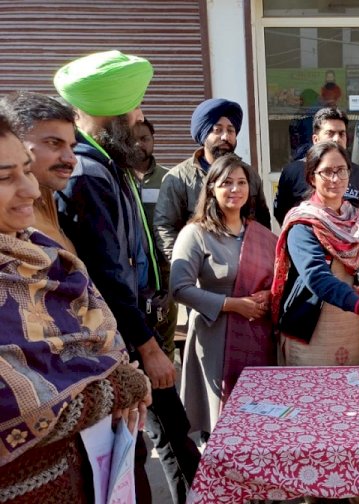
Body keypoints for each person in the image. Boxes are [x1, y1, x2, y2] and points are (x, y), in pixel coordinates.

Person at [53, 50, 200, 504]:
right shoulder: (89, 175)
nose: (140, 118)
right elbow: (109, 277)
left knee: (166, 437)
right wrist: (149, 348)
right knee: (163, 443)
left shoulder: (110, 166)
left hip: (139, 326)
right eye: (133, 110)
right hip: (126, 339)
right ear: (110, 119)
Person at [0, 112, 150, 503]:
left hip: (85, 471)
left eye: (27, 172)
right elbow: (15, 403)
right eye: (5, 177)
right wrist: (120, 387)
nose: (30, 190)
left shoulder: (41, 255)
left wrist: (118, 376)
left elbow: (91, 340)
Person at [171, 154, 277, 434]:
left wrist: (268, 296)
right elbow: (179, 288)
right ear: (211, 188)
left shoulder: (262, 235)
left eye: (241, 182)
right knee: (222, 425)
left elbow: (280, 280)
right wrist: (232, 305)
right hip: (215, 336)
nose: (235, 189)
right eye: (226, 182)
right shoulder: (195, 234)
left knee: (259, 423)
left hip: (258, 338)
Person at [271, 141, 359, 366]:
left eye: (341, 170)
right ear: (312, 177)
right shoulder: (303, 223)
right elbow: (316, 276)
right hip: (312, 328)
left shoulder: (358, 220)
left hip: (354, 325)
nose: (335, 179)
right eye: (327, 172)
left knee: (356, 392)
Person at [154, 98, 271, 261]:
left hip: (246, 269)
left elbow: (262, 223)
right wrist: (185, 266)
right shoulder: (178, 178)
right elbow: (165, 228)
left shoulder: (249, 174)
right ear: (203, 134)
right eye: (218, 130)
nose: (225, 137)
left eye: (231, 130)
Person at [0, 91, 77, 253]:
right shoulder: (15, 217)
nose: (71, 159)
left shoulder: (45, 199)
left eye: (72, 146)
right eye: (54, 143)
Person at [274, 107, 359, 226]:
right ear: (315, 139)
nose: (337, 139)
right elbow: (282, 214)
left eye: (342, 134)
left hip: (349, 241)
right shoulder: (293, 172)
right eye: (330, 133)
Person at [132, 118, 180, 362]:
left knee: (164, 332)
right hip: (131, 269)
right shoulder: (119, 177)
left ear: (153, 141)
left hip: (163, 269)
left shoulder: (169, 179)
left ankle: (165, 390)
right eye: (134, 138)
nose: (139, 144)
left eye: (145, 138)